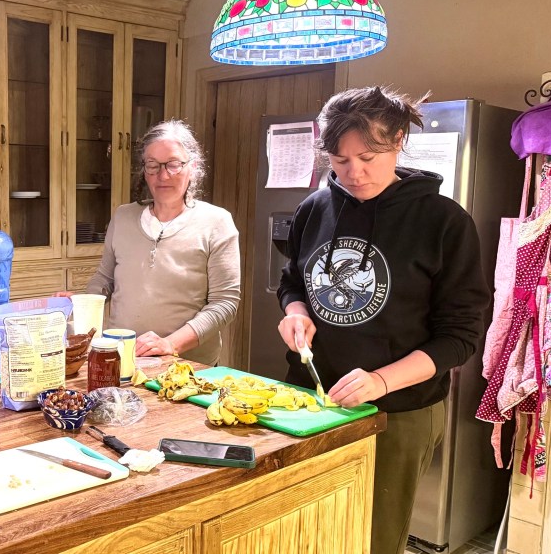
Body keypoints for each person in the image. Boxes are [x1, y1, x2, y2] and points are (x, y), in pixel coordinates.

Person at [276, 87, 490, 554]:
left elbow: (460, 337)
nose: (354, 172)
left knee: (371, 539)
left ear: (397, 141)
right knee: (301, 532)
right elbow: (292, 281)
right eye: (340, 160)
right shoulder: (315, 208)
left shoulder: (444, 221)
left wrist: (380, 381)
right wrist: (295, 313)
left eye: (367, 157)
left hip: (398, 411)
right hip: (307, 398)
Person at [61, 120, 241, 365]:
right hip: (122, 358)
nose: (163, 175)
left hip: (188, 366)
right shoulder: (123, 217)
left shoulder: (216, 222)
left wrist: (170, 344)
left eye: (173, 164)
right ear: (144, 171)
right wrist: (83, 301)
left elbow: (225, 303)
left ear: (193, 167)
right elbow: (104, 279)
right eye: (153, 165)